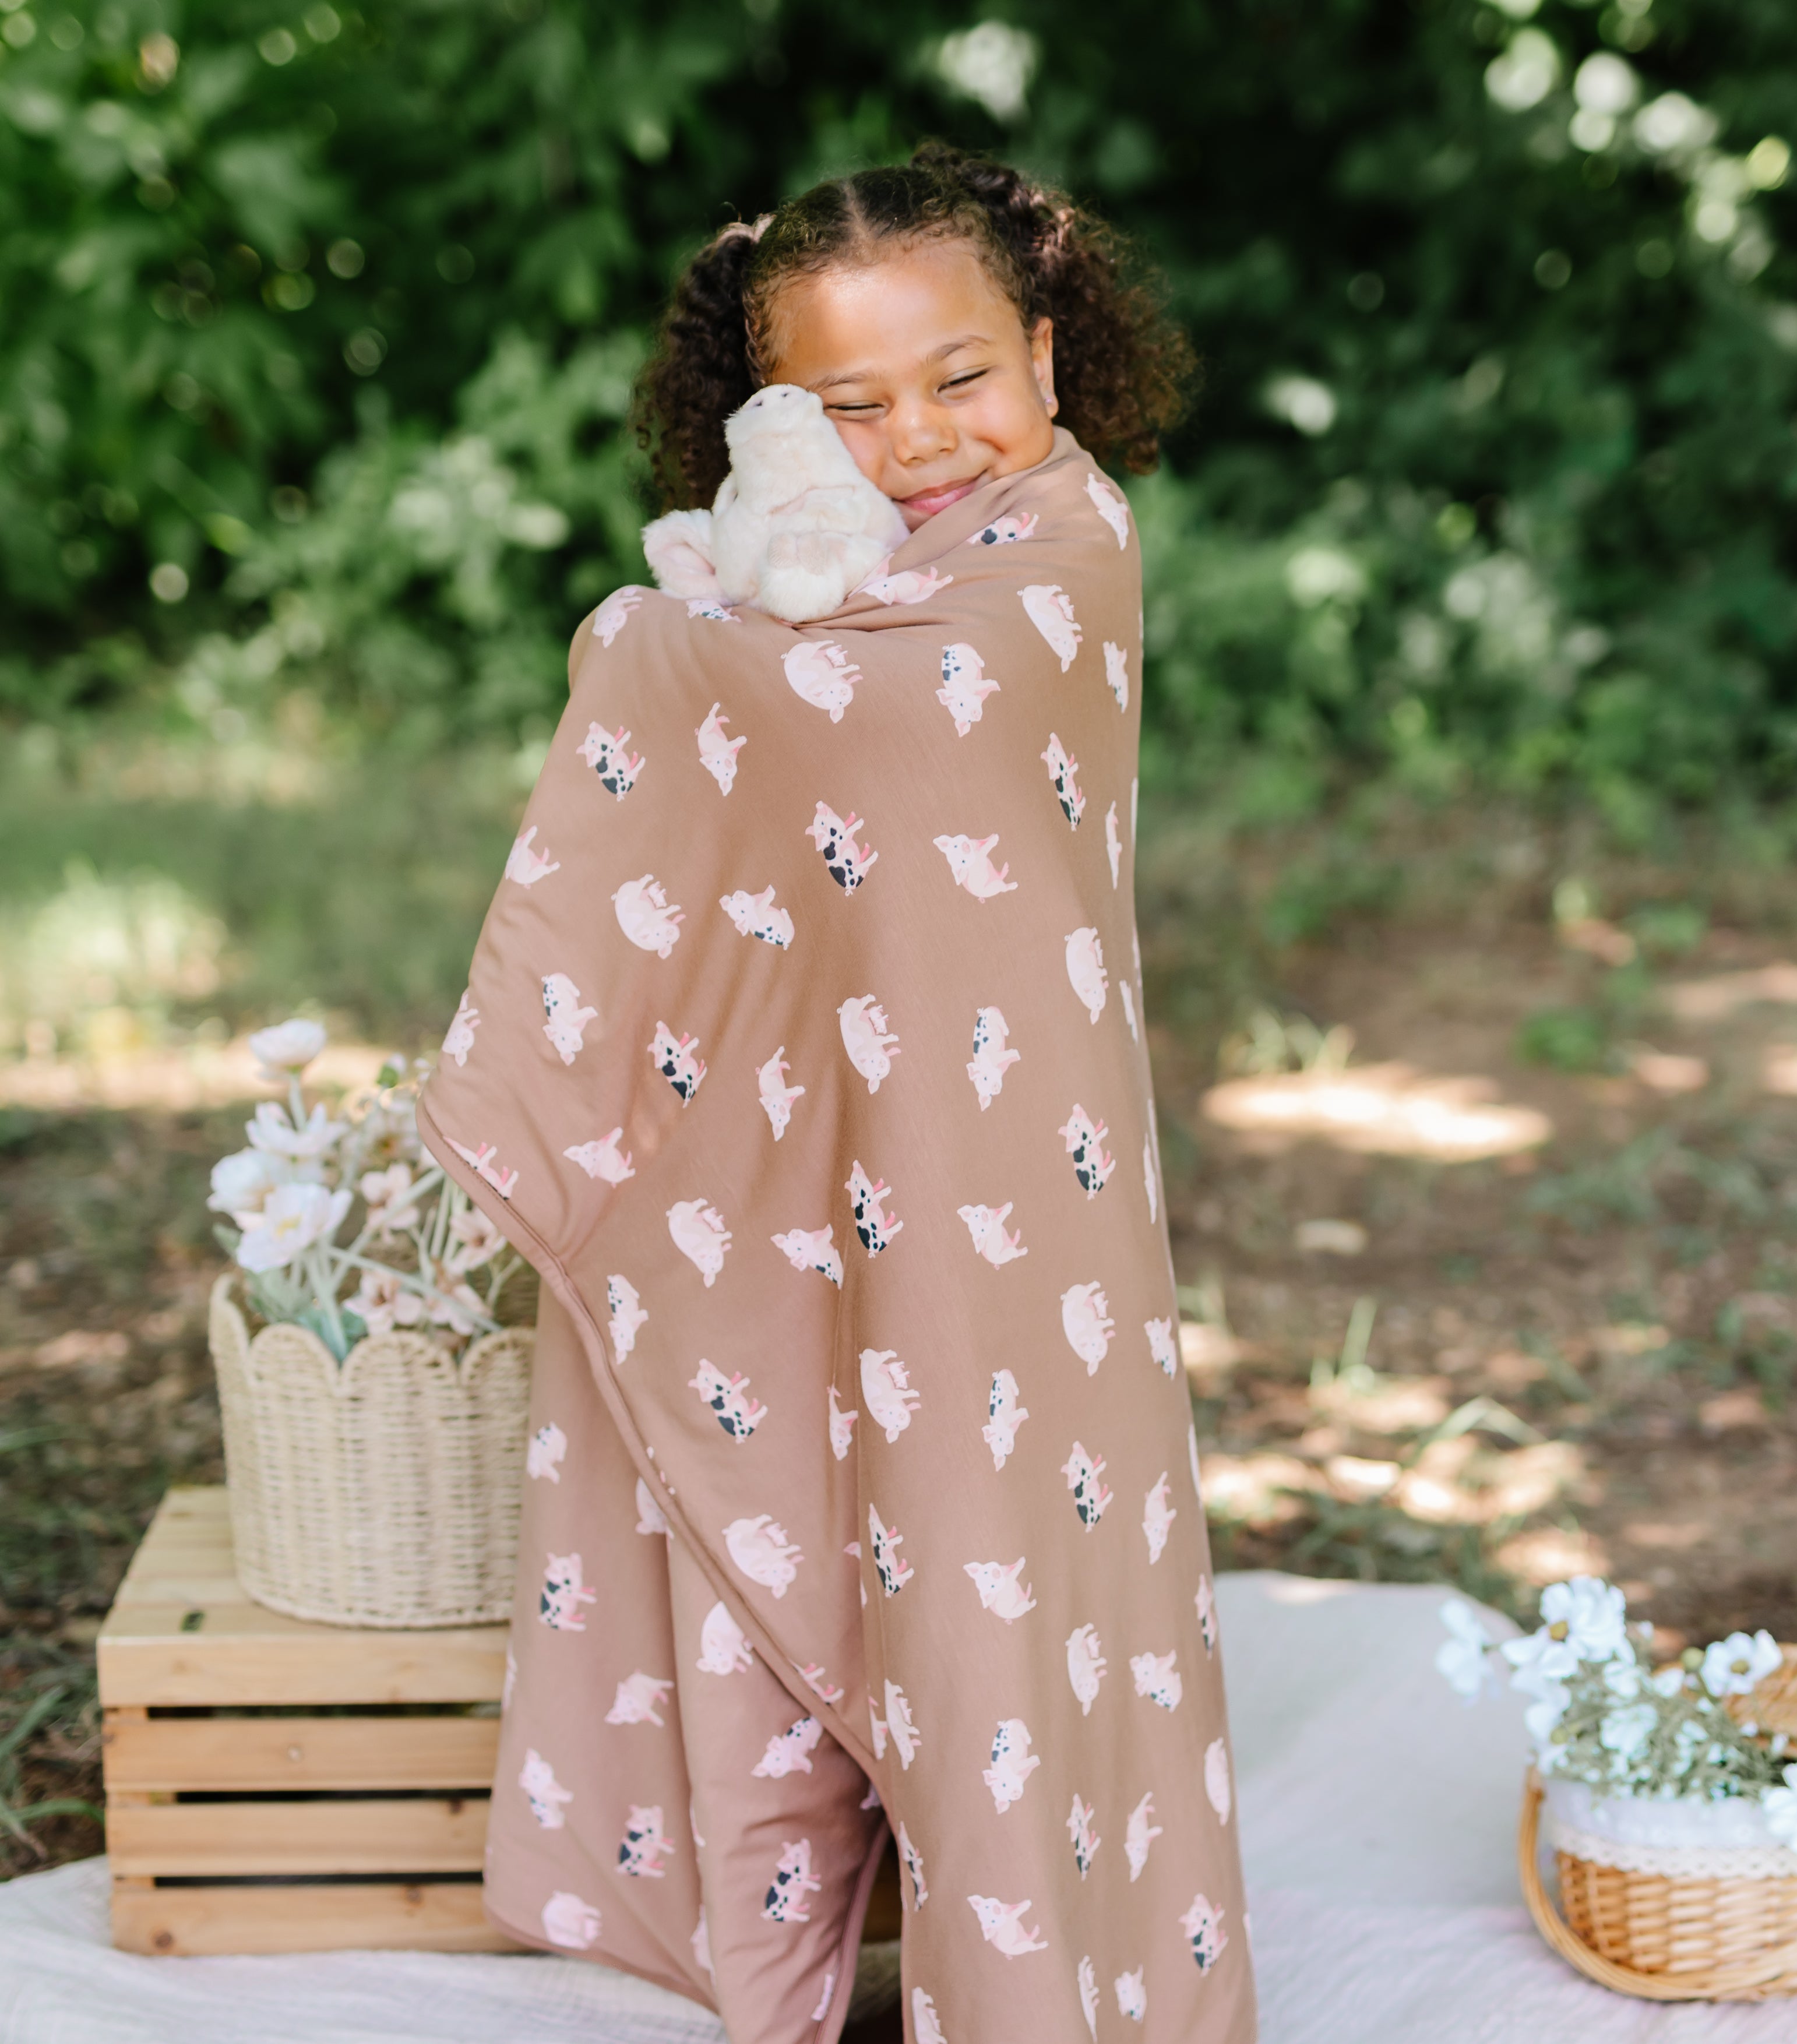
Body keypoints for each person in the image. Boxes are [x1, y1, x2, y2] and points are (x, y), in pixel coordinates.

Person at [420, 143, 1255, 2044]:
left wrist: (648, 638)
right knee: (766, 1507)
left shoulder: (1060, 551)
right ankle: (771, 1979)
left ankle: (1042, 1996)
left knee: (978, 1587)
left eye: (960, 377)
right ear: (772, 421)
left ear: (1048, 353)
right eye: (847, 409)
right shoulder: (821, 563)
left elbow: (871, 711)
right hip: (793, 1151)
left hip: (998, 1194)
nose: (921, 440)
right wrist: (723, 630)